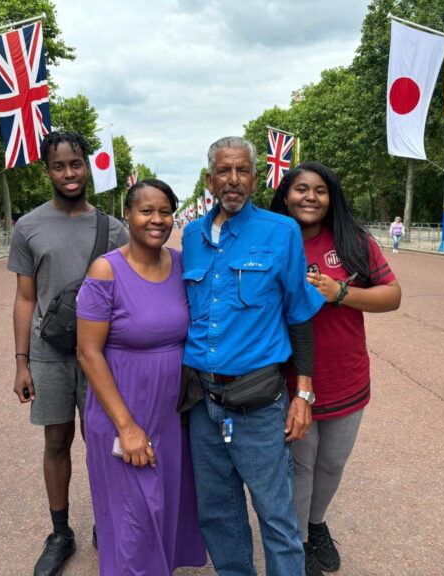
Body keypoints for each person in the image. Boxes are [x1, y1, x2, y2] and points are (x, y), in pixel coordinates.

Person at [182, 136, 325, 575]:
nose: (233, 180)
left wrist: (303, 393)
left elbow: (299, 315)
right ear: (210, 180)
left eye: (242, 171)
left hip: (259, 404)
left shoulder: (280, 232)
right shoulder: (191, 235)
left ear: (255, 178)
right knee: (219, 514)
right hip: (203, 403)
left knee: (277, 517)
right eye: (224, 171)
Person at [269, 162, 401, 575]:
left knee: (333, 462)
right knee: (302, 465)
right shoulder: (272, 239)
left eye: (320, 190)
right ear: (285, 195)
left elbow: (392, 295)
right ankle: (299, 544)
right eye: (301, 189)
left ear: (331, 198)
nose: (310, 197)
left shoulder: (351, 240)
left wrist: (340, 292)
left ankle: (316, 523)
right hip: (292, 379)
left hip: (346, 375)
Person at [7, 131, 128, 576]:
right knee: (56, 441)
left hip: (102, 354)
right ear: (48, 171)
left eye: (75, 164)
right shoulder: (29, 225)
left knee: (103, 441)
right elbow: (25, 298)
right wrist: (22, 361)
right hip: (49, 353)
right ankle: (60, 532)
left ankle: (106, 522)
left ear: (87, 166)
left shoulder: (113, 228)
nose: (69, 174)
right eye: (59, 166)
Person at [76, 179, 208, 575]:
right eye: (146, 210)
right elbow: (88, 351)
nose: (157, 219)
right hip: (123, 408)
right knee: (134, 517)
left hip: (171, 412)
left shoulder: (182, 263)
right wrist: (126, 425)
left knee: (164, 506)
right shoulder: (106, 269)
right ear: (128, 216)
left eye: (165, 211)